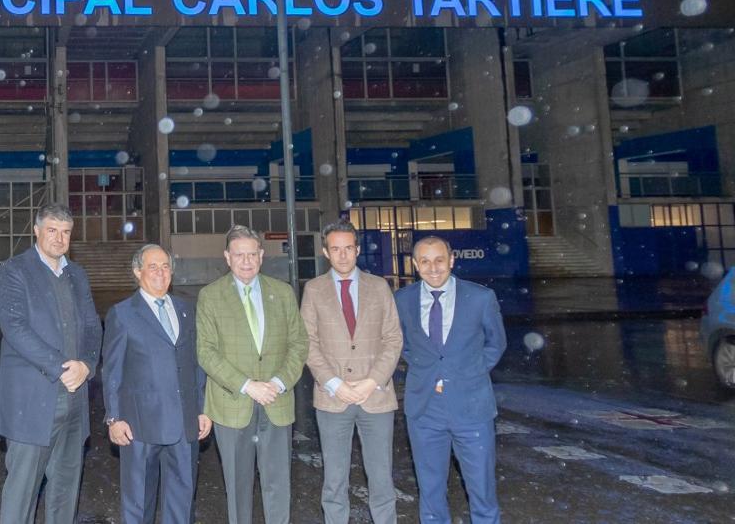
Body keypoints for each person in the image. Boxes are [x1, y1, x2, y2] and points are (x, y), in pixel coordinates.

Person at [0, 202, 102, 524]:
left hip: (75, 402)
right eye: (52, 230)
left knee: (65, 493)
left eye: (65, 232)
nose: (59, 238)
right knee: (22, 494)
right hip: (32, 403)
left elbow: (93, 327)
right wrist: (64, 366)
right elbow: (15, 328)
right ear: (36, 231)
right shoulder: (15, 270)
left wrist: (88, 366)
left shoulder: (77, 274)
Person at [197, 224, 308, 524]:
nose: (246, 261)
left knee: (278, 486)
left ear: (261, 255)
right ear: (227, 257)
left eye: (251, 254)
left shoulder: (283, 293)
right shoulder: (210, 296)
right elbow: (206, 352)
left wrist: (279, 382)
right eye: (238, 255)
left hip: (277, 402)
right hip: (232, 406)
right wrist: (247, 386)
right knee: (238, 488)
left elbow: (299, 344)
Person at [395, 236, 507, 524]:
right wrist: (426, 369)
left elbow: (496, 344)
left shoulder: (480, 297)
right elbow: (404, 345)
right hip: (424, 410)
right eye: (425, 261)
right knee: (430, 490)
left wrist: (467, 372)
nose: (433, 268)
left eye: (439, 260)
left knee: (481, 490)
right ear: (415, 264)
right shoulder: (402, 300)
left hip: (472, 407)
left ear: (452, 260)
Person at [300, 221, 403, 524]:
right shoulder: (314, 289)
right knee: (334, 482)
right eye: (335, 249)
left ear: (357, 249)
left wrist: (372, 381)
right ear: (325, 252)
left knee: (382, 480)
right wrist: (334, 383)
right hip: (333, 399)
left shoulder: (379, 286)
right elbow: (307, 342)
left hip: (376, 396)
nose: (343, 255)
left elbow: (393, 338)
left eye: (348, 248)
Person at [102, 244, 212, 524]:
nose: (161, 273)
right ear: (138, 271)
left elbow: (196, 365)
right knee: (138, 504)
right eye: (153, 267)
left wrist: (202, 409)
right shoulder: (122, 313)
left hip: (185, 425)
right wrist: (114, 418)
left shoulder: (186, 309)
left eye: (165, 266)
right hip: (139, 425)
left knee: (182, 504)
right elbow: (112, 371)